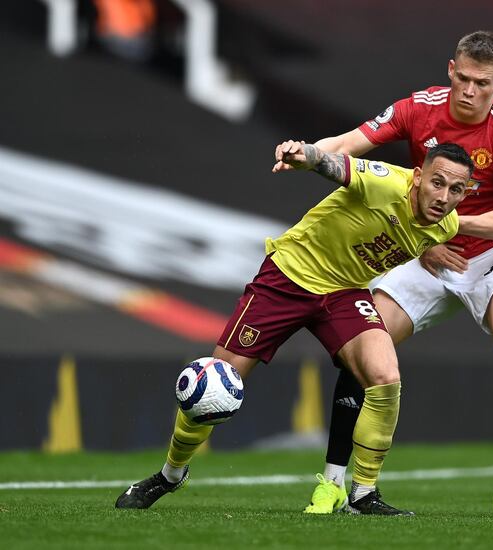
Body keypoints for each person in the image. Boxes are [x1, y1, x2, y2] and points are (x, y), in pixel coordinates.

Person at [114, 140, 473, 515]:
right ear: (418, 177)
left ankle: (363, 495)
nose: (444, 196)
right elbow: (336, 166)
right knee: (216, 382)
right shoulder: (385, 183)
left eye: (456, 189)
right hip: (289, 277)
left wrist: (427, 249)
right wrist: (308, 156)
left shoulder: (443, 226)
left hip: (344, 293)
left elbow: (409, 235)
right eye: (437, 182)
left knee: (385, 377)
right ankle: (170, 474)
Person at [301, 30, 493, 518]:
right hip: (427, 252)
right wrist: (305, 152)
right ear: (451, 69)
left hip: (492, 254)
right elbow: (349, 143)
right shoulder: (418, 108)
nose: (470, 91)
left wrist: (445, 220)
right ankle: (332, 482)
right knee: (363, 346)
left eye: (484, 83)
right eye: (464, 78)